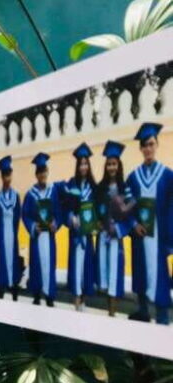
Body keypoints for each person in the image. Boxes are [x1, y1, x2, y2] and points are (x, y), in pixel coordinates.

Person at [125, 123, 173, 324]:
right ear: (140, 148)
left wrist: (169, 235)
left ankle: (162, 318)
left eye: (151, 144)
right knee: (141, 275)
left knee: (160, 277)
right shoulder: (133, 178)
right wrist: (133, 224)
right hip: (141, 236)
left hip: (159, 237)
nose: (148, 149)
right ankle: (143, 313)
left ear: (157, 145)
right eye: (144, 145)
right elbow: (126, 208)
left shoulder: (168, 175)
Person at [95, 141, 133, 317]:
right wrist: (98, 223)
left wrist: (118, 229)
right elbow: (95, 211)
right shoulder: (100, 188)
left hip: (116, 235)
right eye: (109, 164)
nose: (111, 167)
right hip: (103, 235)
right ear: (106, 166)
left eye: (114, 164)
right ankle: (107, 309)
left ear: (119, 165)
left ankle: (113, 311)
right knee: (104, 270)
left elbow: (130, 214)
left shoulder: (125, 188)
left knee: (114, 273)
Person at [22, 152, 62, 307]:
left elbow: (58, 212)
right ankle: (37, 295)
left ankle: (50, 296)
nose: (42, 174)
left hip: (49, 237)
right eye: (39, 172)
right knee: (36, 265)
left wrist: (55, 224)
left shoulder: (53, 192)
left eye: (44, 171)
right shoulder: (30, 195)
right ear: (36, 175)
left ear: (47, 172)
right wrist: (33, 226)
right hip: (37, 237)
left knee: (49, 265)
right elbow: (25, 214)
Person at [64, 144, 98, 311]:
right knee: (76, 266)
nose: (83, 167)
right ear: (77, 166)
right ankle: (76, 301)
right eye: (81, 164)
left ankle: (83, 300)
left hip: (88, 234)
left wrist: (96, 224)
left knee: (86, 267)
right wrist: (71, 217)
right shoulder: (72, 184)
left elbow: (98, 209)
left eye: (86, 163)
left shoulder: (94, 186)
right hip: (76, 234)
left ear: (88, 165)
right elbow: (66, 206)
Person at [0, 156, 22, 301]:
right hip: (2, 235)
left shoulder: (16, 196)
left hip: (12, 233)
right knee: (3, 261)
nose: (8, 178)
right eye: (5, 175)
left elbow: (18, 216)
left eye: (9, 174)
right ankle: (2, 287)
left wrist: (14, 232)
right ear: (2, 176)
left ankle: (14, 287)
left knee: (14, 259)